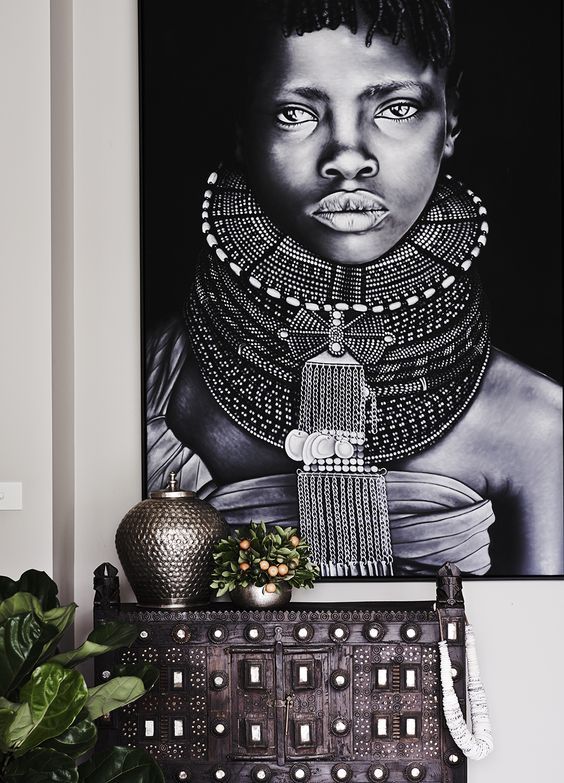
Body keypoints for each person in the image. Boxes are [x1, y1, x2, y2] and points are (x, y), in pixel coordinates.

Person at [145, 0, 562, 577]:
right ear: (242, 130)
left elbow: (542, 654)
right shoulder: (158, 379)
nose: (347, 157)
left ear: (452, 120)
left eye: (395, 108)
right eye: (295, 113)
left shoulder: (537, 423)